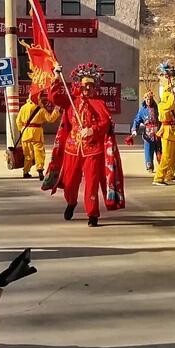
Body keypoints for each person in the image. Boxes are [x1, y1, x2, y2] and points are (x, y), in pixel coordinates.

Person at [46, 62, 123, 227]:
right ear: (78, 85)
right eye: (84, 85)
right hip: (72, 148)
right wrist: (56, 78)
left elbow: (106, 123)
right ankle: (71, 202)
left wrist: (92, 130)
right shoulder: (71, 100)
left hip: (93, 150)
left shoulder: (99, 103)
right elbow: (54, 98)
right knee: (70, 181)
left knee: (92, 182)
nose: (87, 89)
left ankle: (92, 213)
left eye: (91, 85)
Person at [16, 91, 61, 180]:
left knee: (27, 154)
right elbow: (51, 119)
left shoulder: (23, 107)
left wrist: (22, 130)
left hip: (26, 133)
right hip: (37, 133)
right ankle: (40, 171)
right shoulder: (41, 109)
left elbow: (18, 121)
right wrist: (56, 110)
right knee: (39, 153)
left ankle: (26, 171)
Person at [152, 86, 175, 186]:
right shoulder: (162, 105)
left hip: (173, 131)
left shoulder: (171, 104)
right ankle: (158, 177)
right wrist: (172, 94)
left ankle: (169, 174)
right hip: (166, 131)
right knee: (167, 156)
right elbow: (168, 105)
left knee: (174, 155)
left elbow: (173, 109)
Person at [131, 90, 161, 172]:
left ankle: (162, 166)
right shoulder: (142, 110)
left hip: (158, 132)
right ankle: (149, 166)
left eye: (150, 99)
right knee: (148, 150)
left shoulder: (157, 108)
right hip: (148, 133)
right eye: (147, 99)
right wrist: (134, 130)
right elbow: (137, 120)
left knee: (159, 150)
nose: (149, 101)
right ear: (144, 100)